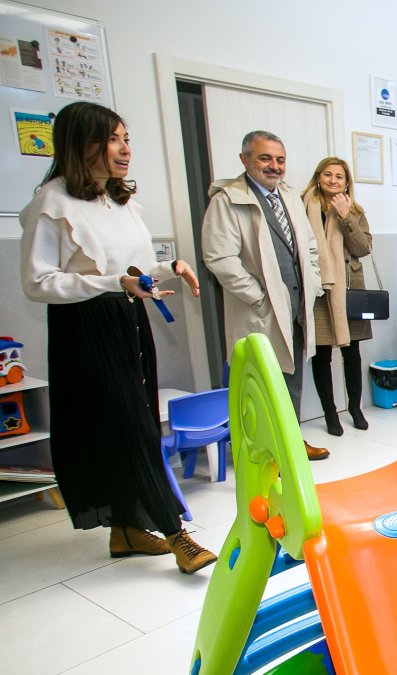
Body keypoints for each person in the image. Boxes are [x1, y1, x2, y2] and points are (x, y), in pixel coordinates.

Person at [19, 101, 216, 574]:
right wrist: (113, 283)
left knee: (133, 420)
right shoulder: (51, 203)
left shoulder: (118, 201)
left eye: (127, 139)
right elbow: (37, 283)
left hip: (129, 318)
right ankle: (176, 533)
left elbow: (132, 268)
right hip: (86, 327)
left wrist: (169, 267)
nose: (125, 149)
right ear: (82, 144)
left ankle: (126, 532)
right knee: (132, 427)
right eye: (113, 140)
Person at [201, 131, 328, 461]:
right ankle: (265, 453)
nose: (274, 166)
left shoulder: (290, 197)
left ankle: (291, 445)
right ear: (245, 160)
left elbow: (309, 248)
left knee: (292, 378)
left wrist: (313, 283)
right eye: (265, 158)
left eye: (280, 160)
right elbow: (219, 258)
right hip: (259, 311)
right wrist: (257, 297)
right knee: (262, 382)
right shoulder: (227, 201)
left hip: (296, 307)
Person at [302, 157, 374, 436]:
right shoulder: (302, 206)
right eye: (328, 174)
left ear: (346, 182)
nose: (333, 180)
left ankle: (355, 408)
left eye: (339, 176)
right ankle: (330, 413)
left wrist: (345, 217)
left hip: (348, 287)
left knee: (352, 353)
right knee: (321, 355)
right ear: (318, 176)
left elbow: (363, 248)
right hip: (319, 287)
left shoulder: (355, 210)